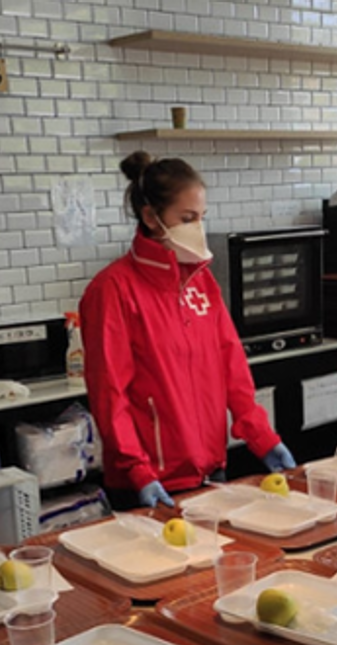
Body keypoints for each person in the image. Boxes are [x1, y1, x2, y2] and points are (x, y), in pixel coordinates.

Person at [80, 151, 296, 510]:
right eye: (187, 218)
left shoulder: (202, 283)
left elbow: (232, 367)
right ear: (151, 217)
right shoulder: (112, 290)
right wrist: (138, 471)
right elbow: (110, 396)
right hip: (149, 483)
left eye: (202, 218)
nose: (197, 228)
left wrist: (262, 437)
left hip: (210, 472)